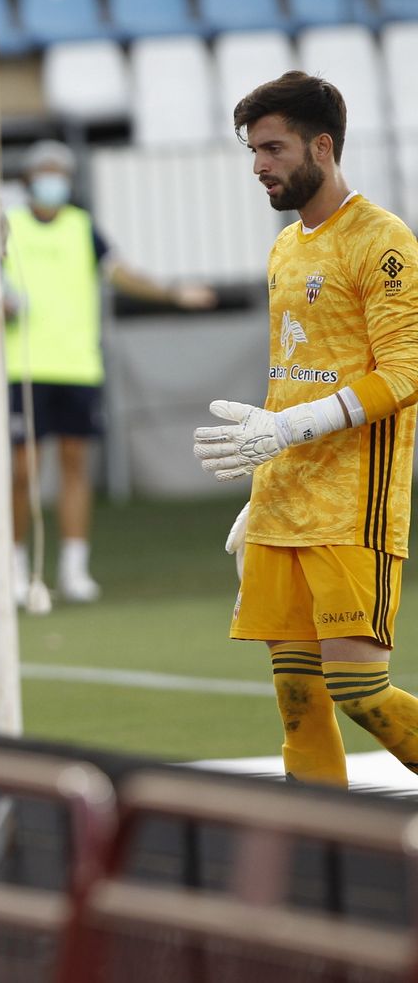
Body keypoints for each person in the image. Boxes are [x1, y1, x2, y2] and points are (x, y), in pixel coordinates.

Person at [194, 72, 418, 788]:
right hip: (284, 505)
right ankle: (322, 852)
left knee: (361, 692)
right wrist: (264, 488)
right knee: (298, 701)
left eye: (274, 148)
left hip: (351, 504)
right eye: (254, 150)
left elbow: (406, 373)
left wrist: (293, 426)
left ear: (322, 145)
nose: (260, 164)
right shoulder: (286, 247)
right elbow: (297, 374)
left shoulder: (381, 241)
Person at [0, 141, 216, 604]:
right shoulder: (5, 227)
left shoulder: (82, 228)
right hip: (23, 369)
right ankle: (13, 564)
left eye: (61, 173)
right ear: (28, 179)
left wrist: (172, 293)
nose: (55, 182)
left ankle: (74, 567)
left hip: (78, 366)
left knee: (76, 467)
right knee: (21, 471)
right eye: (46, 172)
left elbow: (122, 273)